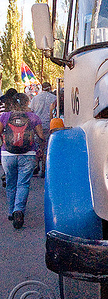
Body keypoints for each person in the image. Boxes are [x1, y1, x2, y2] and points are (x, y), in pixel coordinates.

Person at [0, 93, 44, 229]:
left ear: (12, 104)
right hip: (28, 154)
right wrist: (40, 150)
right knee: (23, 184)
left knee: (10, 183)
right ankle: (18, 210)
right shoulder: (33, 117)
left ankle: (10, 212)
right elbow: (41, 136)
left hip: (8, 154)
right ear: (27, 103)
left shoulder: (4, 117)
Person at [29, 81, 56, 177]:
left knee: (37, 146)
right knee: (46, 148)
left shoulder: (35, 98)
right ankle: (44, 169)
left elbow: (31, 111)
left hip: (37, 125)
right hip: (49, 125)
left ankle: (36, 167)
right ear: (50, 88)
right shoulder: (54, 98)